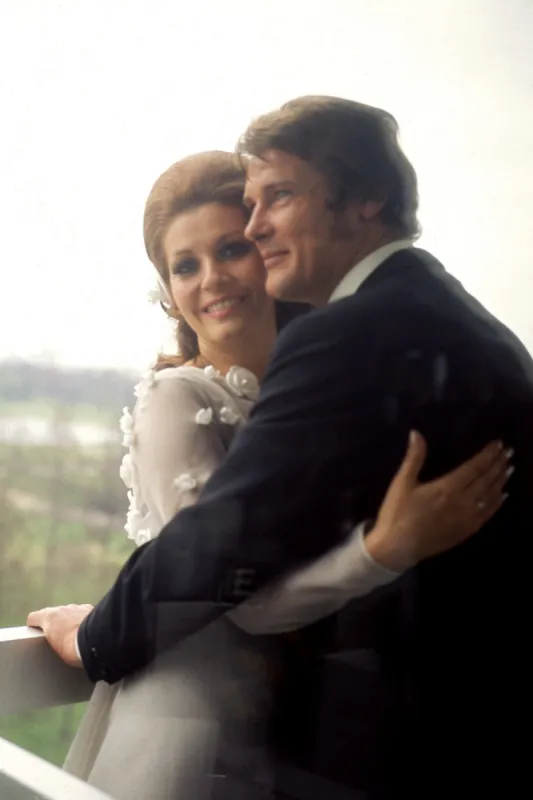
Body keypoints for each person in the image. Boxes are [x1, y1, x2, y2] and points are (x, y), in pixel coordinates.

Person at [29, 97, 532, 798]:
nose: (254, 232)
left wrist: (96, 636)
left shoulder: (345, 343)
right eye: (184, 265)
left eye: (246, 233)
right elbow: (221, 563)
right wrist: (383, 547)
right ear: (168, 290)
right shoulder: (430, 314)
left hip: (374, 732)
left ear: (365, 199)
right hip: (202, 725)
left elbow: (226, 552)